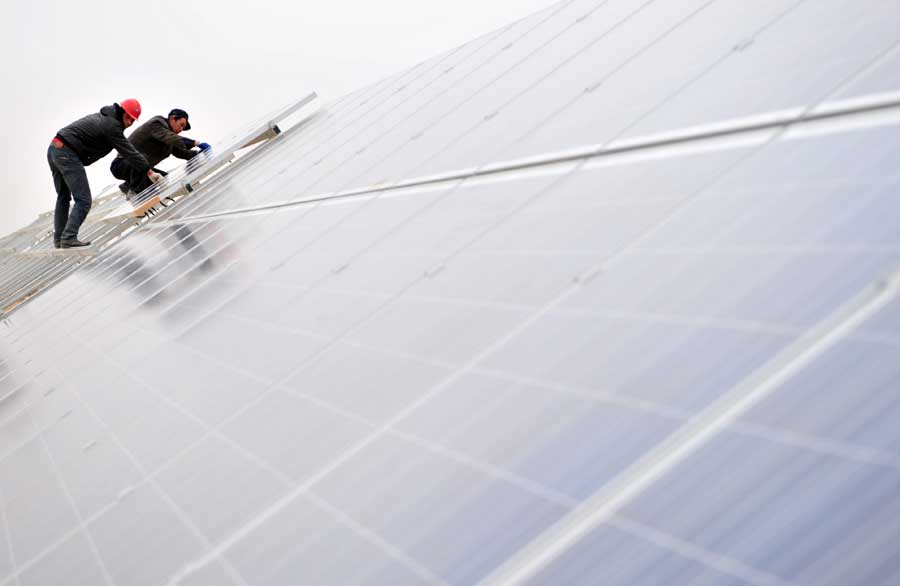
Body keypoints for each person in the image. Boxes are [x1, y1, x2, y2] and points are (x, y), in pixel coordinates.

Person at [48, 99, 160, 248]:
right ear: (122, 112)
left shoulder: (106, 118)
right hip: (67, 153)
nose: (130, 123)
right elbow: (129, 152)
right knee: (84, 200)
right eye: (129, 118)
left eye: (133, 120)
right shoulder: (112, 126)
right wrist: (149, 171)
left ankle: (59, 238)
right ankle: (68, 237)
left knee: (63, 197)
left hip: (55, 149)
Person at [110, 108, 210, 198]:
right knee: (142, 159)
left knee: (165, 178)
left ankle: (128, 186)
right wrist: (196, 143)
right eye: (181, 125)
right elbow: (175, 139)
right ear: (172, 118)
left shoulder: (169, 139)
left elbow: (181, 152)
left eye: (183, 128)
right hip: (122, 164)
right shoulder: (157, 124)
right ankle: (135, 192)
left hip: (138, 169)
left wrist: (198, 155)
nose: (181, 130)